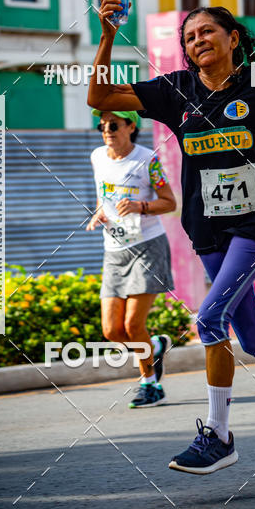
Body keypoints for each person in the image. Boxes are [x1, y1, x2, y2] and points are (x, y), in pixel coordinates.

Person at [88, 0, 255, 472]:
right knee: (253, 338)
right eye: (188, 37)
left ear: (232, 38)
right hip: (207, 229)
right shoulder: (176, 91)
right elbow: (100, 96)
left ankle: (220, 436)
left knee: (209, 319)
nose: (196, 41)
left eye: (207, 31)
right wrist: (107, 36)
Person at [86, 108, 176, 408]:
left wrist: (139, 206)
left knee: (133, 324)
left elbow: (169, 202)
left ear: (130, 126)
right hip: (114, 250)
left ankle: (150, 385)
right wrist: (100, 212)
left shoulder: (147, 159)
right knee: (112, 330)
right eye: (102, 126)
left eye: (113, 125)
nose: (106, 130)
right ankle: (155, 346)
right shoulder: (97, 157)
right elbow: (104, 195)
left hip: (148, 246)